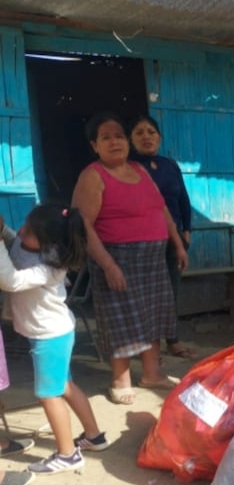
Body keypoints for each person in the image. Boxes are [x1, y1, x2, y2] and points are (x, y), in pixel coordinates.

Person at [71, 111, 189, 406]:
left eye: (119, 136)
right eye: (106, 137)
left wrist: (178, 245)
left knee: (153, 317)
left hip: (152, 259)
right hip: (116, 257)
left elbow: (162, 210)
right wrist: (108, 265)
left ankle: (152, 374)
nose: (115, 142)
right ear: (94, 145)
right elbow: (82, 225)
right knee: (120, 321)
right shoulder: (93, 176)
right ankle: (119, 380)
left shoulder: (140, 169)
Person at [0, 204, 110, 474]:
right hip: (53, 333)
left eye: (30, 231)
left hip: (49, 337)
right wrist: (3, 230)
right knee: (65, 386)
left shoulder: (50, 267)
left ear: (48, 242)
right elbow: (14, 241)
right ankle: (94, 436)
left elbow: (11, 280)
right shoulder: (25, 244)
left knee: (49, 394)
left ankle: (67, 454)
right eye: (24, 224)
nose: (23, 231)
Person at [129, 114, 195, 359]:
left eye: (151, 132)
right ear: (130, 139)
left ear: (160, 137)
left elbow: (183, 200)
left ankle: (173, 340)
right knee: (145, 291)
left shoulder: (169, 165)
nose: (146, 136)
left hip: (174, 237)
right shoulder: (129, 168)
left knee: (171, 289)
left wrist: (186, 230)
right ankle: (144, 343)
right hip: (143, 239)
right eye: (139, 132)